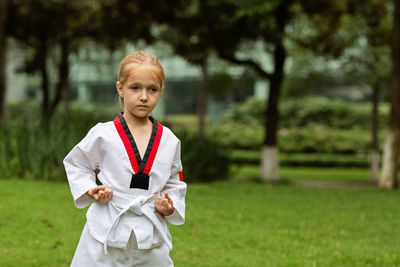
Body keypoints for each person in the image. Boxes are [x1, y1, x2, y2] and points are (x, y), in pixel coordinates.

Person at [63, 51, 187, 267]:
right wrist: (90, 189)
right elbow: (77, 163)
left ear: (161, 91)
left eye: (152, 89)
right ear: (120, 88)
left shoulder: (169, 140)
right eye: (135, 88)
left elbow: (174, 181)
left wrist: (170, 205)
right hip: (106, 227)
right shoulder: (102, 134)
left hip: (150, 231)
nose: (144, 96)